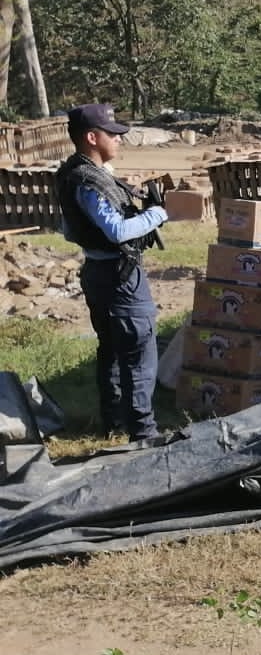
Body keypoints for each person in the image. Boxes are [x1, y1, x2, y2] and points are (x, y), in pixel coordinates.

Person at [54, 104, 168, 441]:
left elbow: (69, 230)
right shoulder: (89, 180)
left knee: (112, 350)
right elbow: (117, 231)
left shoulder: (74, 173)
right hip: (120, 277)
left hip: (98, 271)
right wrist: (158, 214)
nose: (118, 139)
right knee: (138, 353)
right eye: (112, 134)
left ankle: (115, 424)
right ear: (92, 137)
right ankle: (144, 433)